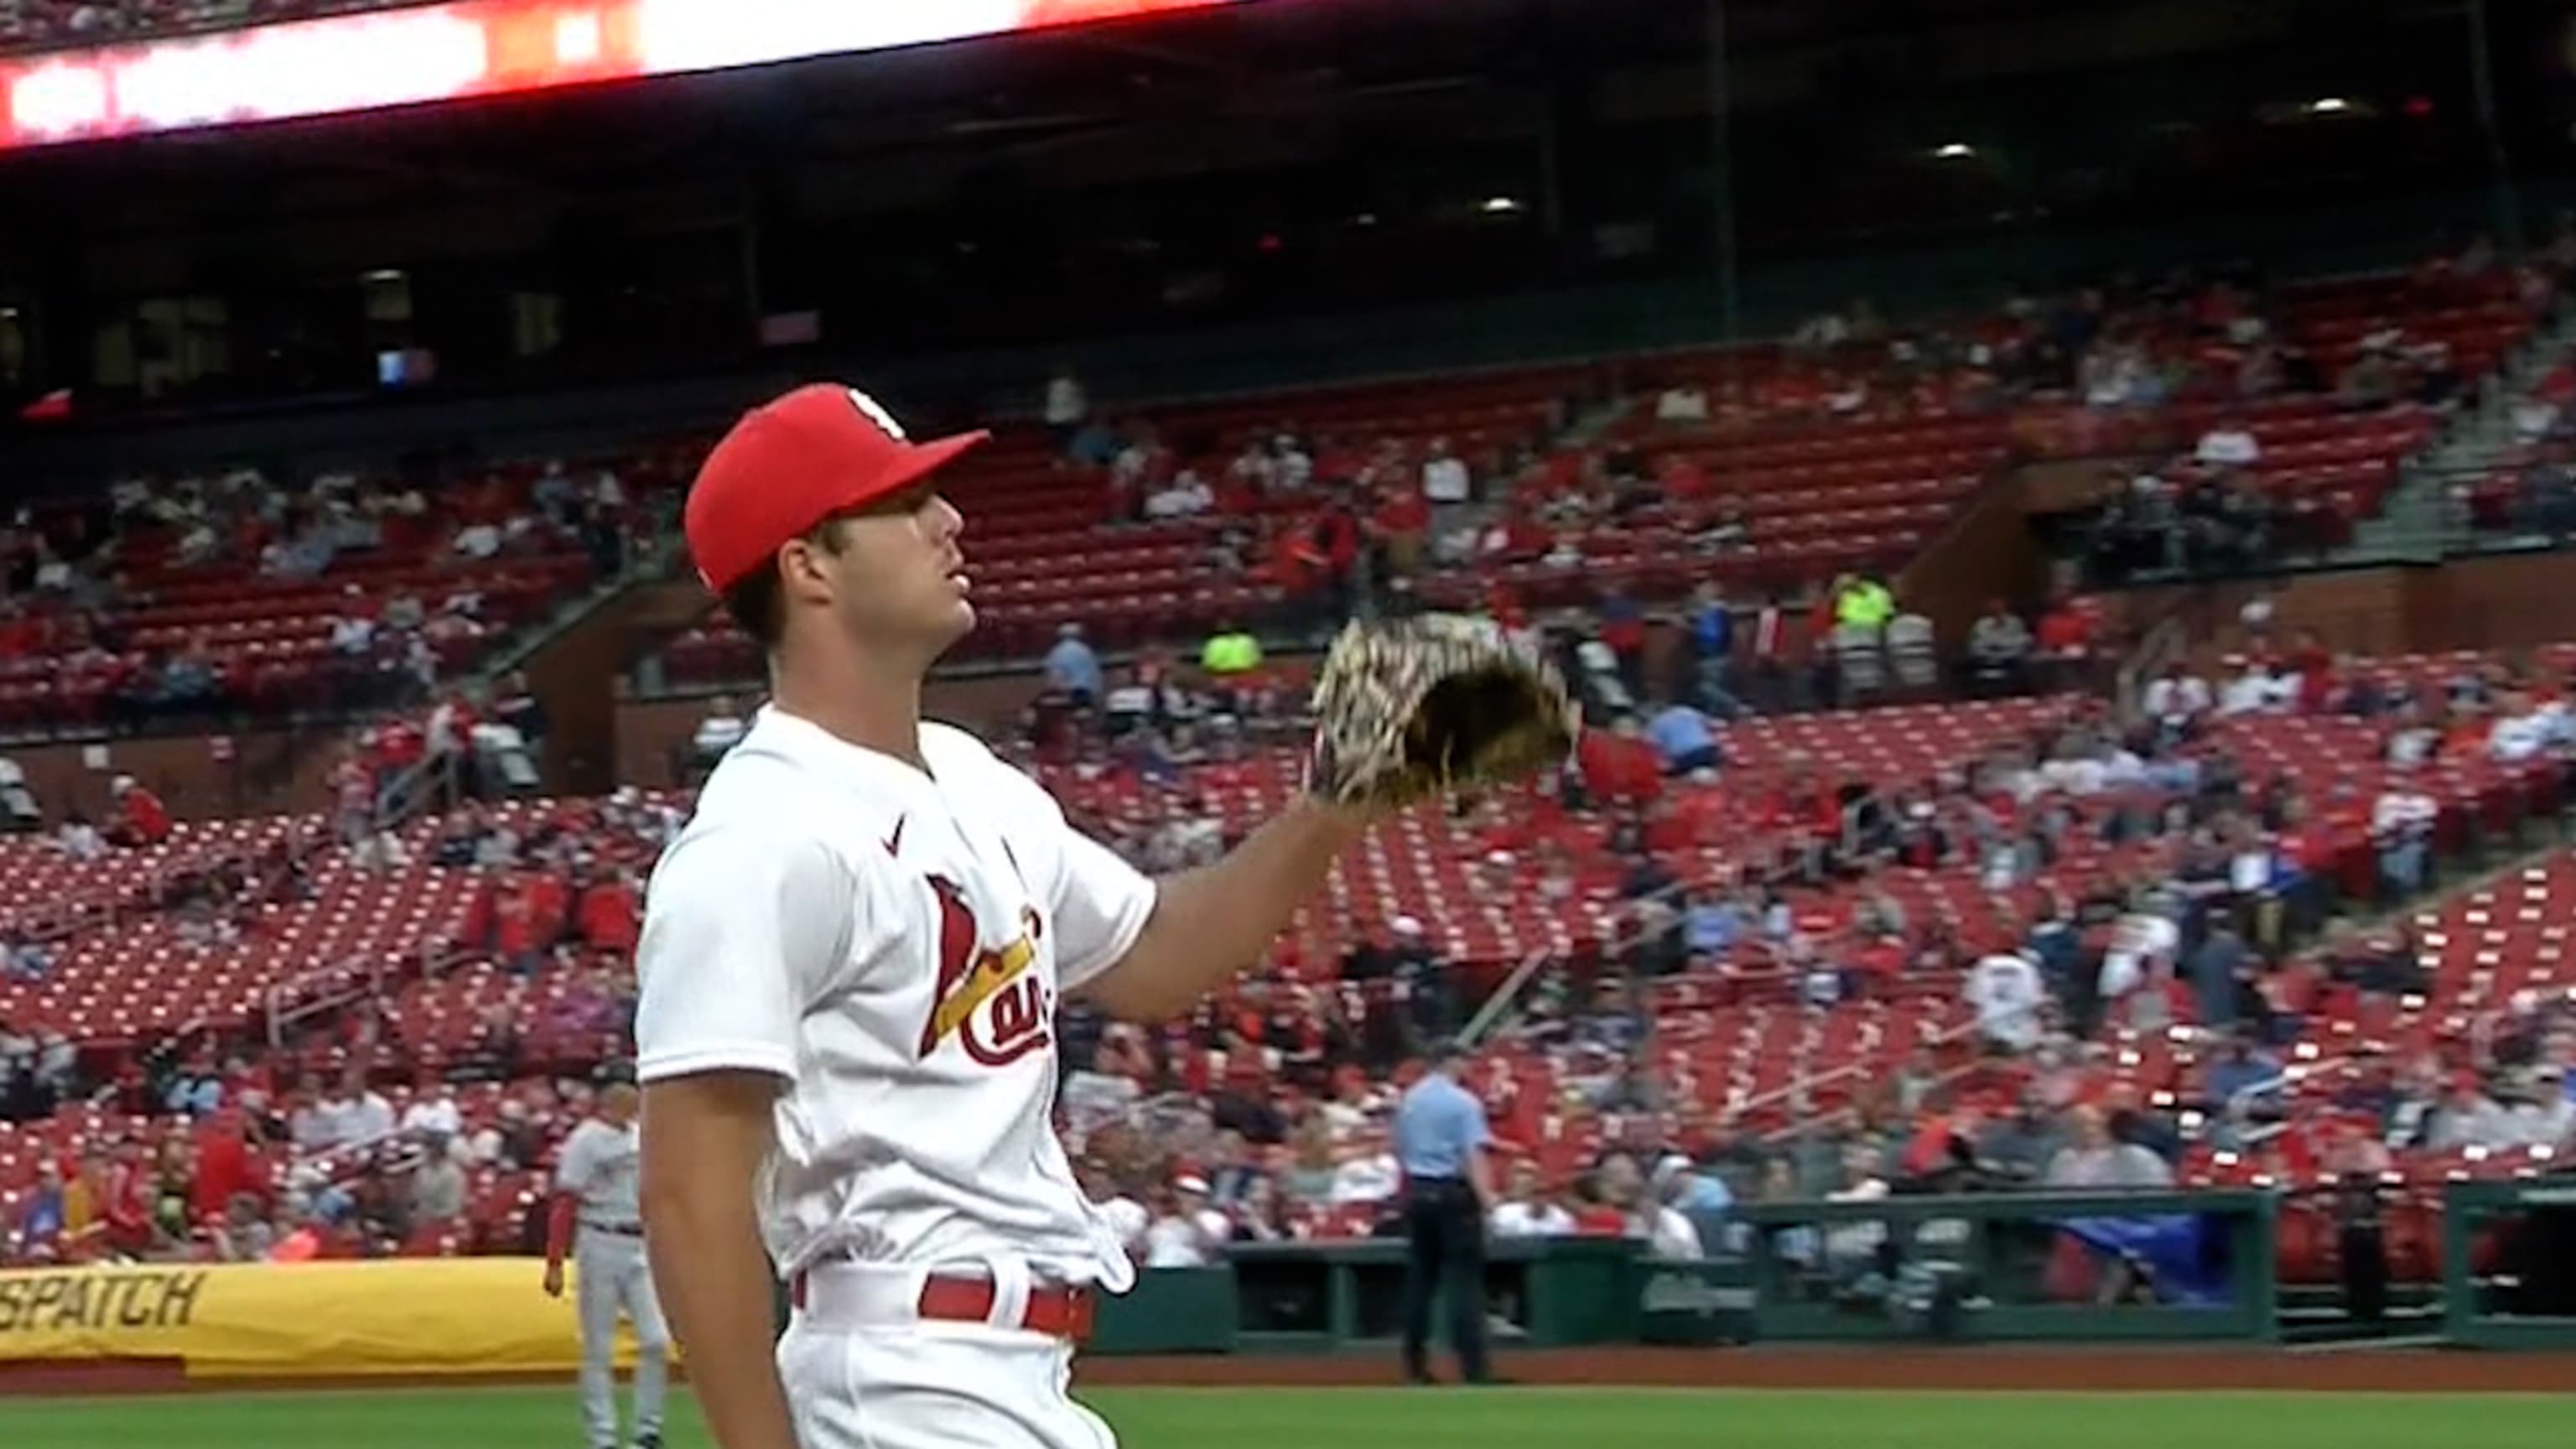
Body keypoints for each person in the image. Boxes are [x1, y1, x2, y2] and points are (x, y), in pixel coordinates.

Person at [633, 384, 1389, 1449]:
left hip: (1015, 1379)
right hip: (896, 1369)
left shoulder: (968, 779)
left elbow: (1157, 957)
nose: (949, 521)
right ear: (808, 566)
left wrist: (1335, 803)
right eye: (904, 502)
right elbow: (688, 1190)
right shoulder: (761, 839)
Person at [544, 1067, 670, 1449]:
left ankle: (648, 1430)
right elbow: (566, 1202)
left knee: (655, 1340)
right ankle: (602, 1436)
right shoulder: (584, 1141)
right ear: (611, 1097)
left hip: (639, 1240)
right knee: (598, 1346)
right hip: (599, 1238)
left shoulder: (639, 1134)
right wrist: (554, 1261)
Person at [1390, 1038, 1495, 1385]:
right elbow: (1472, 1155)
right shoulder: (1463, 1102)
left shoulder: (1411, 1099)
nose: (1468, 1066)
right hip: (1452, 1194)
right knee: (1463, 1283)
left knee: (1419, 1282)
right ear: (1451, 1061)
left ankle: (1414, 1368)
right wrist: (1487, 1198)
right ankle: (1474, 1370)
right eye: (1464, 1060)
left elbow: (1399, 1148)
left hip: (1418, 1191)